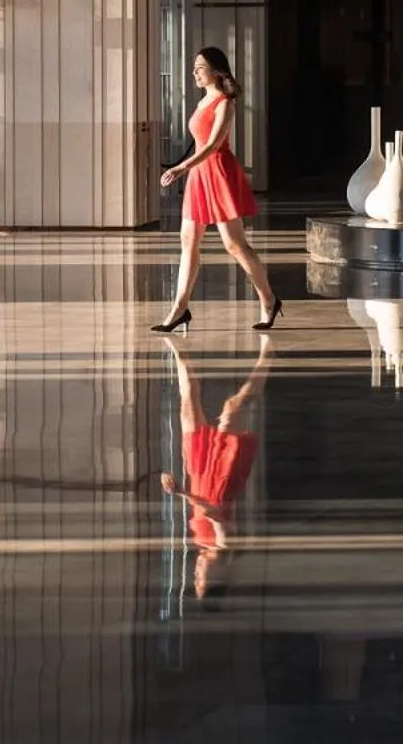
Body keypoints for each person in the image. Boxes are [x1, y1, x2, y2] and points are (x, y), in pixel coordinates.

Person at [154, 47, 282, 331]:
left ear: (215, 70)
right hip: (199, 174)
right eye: (194, 68)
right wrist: (189, 168)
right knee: (188, 241)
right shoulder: (203, 102)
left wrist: (180, 168)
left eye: (200, 67)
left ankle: (269, 300)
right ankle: (179, 308)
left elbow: (213, 146)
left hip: (219, 174)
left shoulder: (225, 103)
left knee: (234, 245)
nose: (195, 72)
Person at [159, 336, 273, 602]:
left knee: (188, 404)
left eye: (195, 578)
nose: (197, 572)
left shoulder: (202, 545)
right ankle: (268, 356)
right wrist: (180, 493)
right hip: (221, 479)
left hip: (199, 475)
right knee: (233, 406)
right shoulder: (224, 549)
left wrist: (186, 488)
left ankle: (179, 349)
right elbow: (215, 515)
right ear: (220, 577)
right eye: (201, 578)